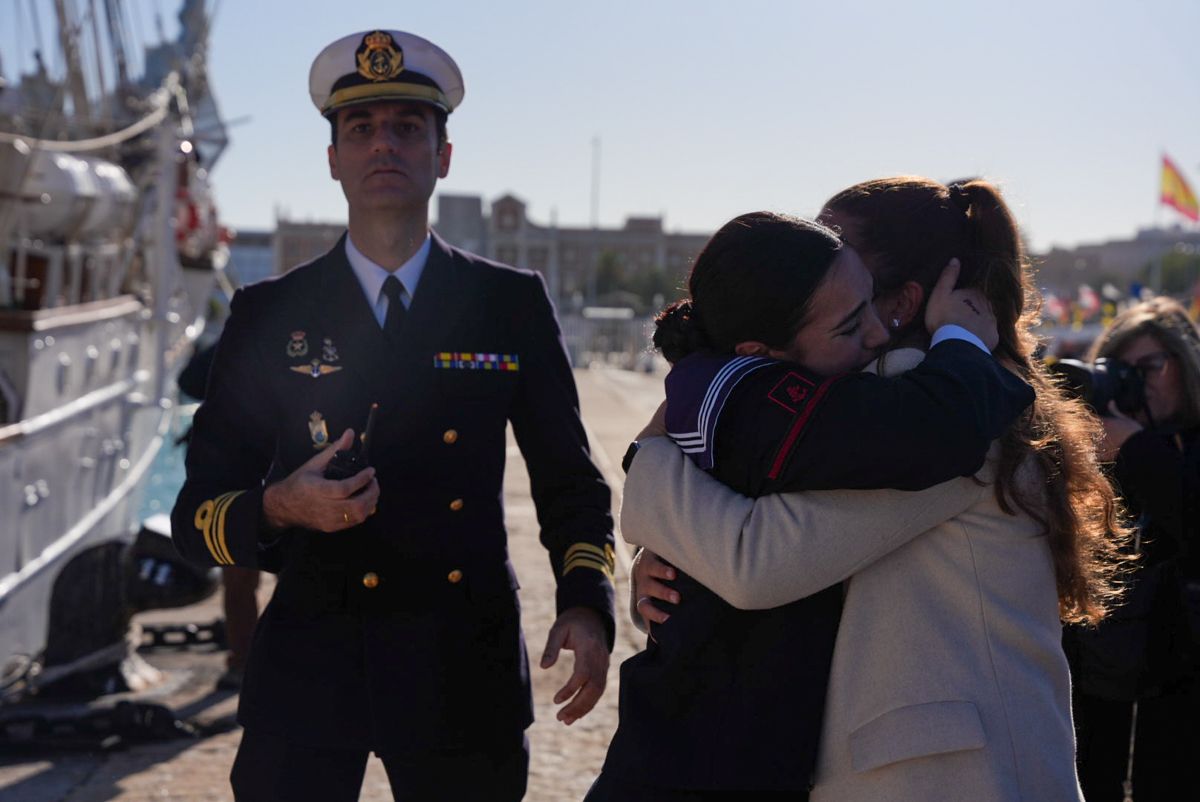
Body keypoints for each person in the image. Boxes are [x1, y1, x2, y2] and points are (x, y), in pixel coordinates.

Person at [170, 30, 615, 802]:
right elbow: (197, 510)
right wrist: (279, 505)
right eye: (361, 128)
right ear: (334, 157)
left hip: (458, 662)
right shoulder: (269, 312)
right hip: (312, 663)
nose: (384, 144)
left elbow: (569, 480)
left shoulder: (506, 305)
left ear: (443, 155)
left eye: (408, 127)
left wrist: (585, 602)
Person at [620, 177, 1129, 802]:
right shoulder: (952, 387)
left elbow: (758, 561)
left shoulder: (929, 402)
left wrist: (649, 460)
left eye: (836, 243)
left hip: (952, 775)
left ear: (902, 299)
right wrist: (663, 559)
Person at [1066, 296, 1200, 801]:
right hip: (1100, 678)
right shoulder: (1103, 449)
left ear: (1185, 368)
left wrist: (1139, 450)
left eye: (1149, 367)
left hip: (1178, 688)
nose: (1136, 383)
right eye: (1121, 371)